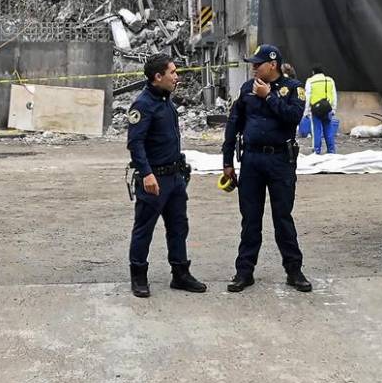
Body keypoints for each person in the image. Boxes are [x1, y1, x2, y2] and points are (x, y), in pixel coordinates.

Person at [222, 44, 311, 293]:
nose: (253, 68)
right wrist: (227, 161)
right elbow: (233, 123)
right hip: (251, 160)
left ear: (272, 65)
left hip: (280, 161)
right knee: (250, 219)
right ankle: (244, 272)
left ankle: (294, 271)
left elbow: (293, 117)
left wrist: (269, 96)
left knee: (283, 218)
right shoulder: (246, 89)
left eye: (257, 64)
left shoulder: (293, 89)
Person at [125, 53, 206, 298]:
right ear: (158, 76)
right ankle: (138, 276)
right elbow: (135, 143)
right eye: (172, 72)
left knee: (178, 226)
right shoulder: (142, 105)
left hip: (174, 178)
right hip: (155, 179)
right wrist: (147, 174)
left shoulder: (166, 101)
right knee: (144, 229)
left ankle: (180, 273)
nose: (176, 77)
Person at [305, 65, 339, 155]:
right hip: (327, 108)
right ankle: (331, 151)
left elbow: (308, 96)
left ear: (313, 72)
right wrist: (334, 108)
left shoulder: (310, 81)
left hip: (316, 109)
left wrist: (306, 111)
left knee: (317, 130)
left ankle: (317, 151)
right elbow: (334, 95)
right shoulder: (329, 80)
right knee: (328, 130)